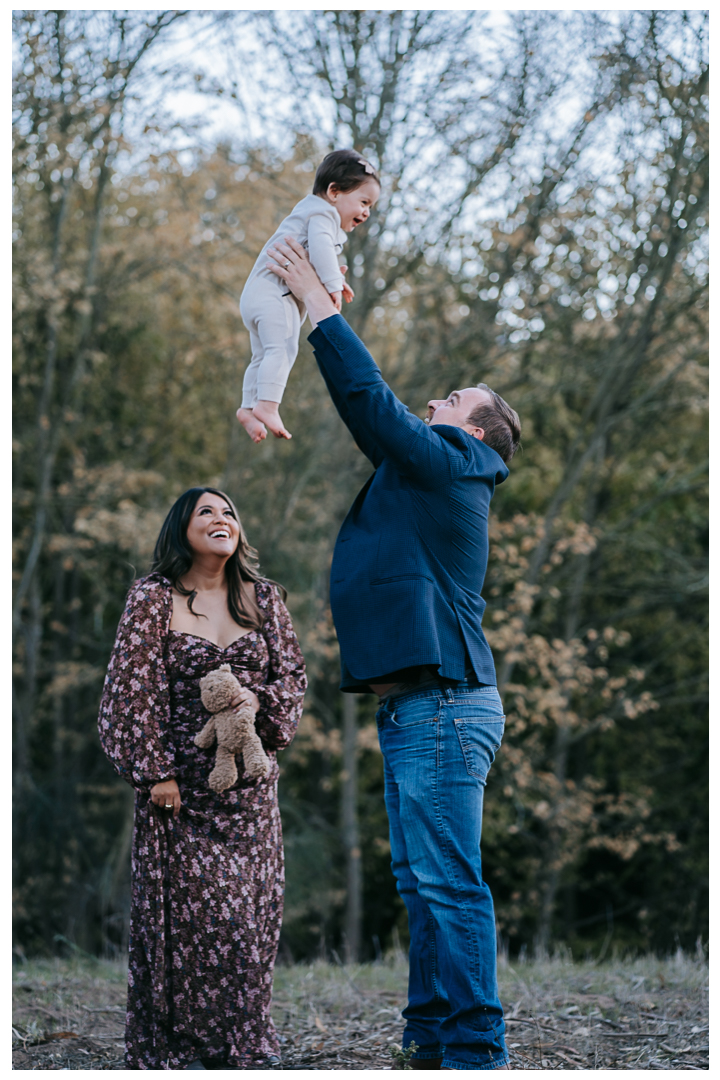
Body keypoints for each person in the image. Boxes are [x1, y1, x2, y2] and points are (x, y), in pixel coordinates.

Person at [267, 238, 521, 1072]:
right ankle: (429, 1038)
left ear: (475, 428)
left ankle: (476, 1052)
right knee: (421, 886)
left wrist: (322, 313)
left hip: (446, 703)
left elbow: (372, 405)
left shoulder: (457, 464)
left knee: (448, 886)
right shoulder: (430, 472)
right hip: (419, 704)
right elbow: (384, 425)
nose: (433, 400)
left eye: (450, 397)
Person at [97, 487, 307, 1070]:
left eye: (230, 512)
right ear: (181, 530)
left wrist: (251, 703)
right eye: (205, 512)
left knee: (245, 926)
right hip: (178, 795)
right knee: (190, 929)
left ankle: (241, 1049)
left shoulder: (264, 598)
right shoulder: (152, 598)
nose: (221, 519)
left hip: (250, 794)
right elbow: (129, 691)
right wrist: (156, 772)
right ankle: (179, 1053)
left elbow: (292, 678)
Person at [237, 148, 380, 443]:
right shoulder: (322, 213)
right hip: (272, 297)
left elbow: (316, 255)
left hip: (256, 296)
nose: (366, 212)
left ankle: (248, 408)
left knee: (262, 355)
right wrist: (331, 284)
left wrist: (337, 280)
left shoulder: (310, 214)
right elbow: (321, 246)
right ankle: (267, 404)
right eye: (364, 202)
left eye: (371, 207)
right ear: (334, 191)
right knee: (283, 349)